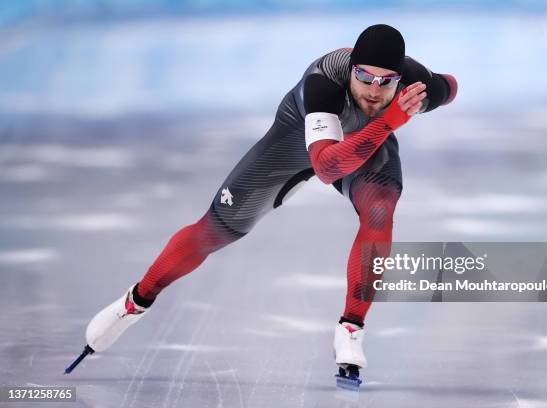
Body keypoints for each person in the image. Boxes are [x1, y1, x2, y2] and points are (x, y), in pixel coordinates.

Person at [83, 24, 458, 379]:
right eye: (363, 78)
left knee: (380, 211)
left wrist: (427, 99)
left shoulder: (416, 88)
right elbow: (327, 167)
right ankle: (135, 302)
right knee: (213, 231)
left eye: (386, 82)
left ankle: (351, 327)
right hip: (296, 147)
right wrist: (392, 118)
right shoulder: (324, 81)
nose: (374, 92)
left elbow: (450, 86)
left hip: (367, 144)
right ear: (350, 73)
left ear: (400, 80)